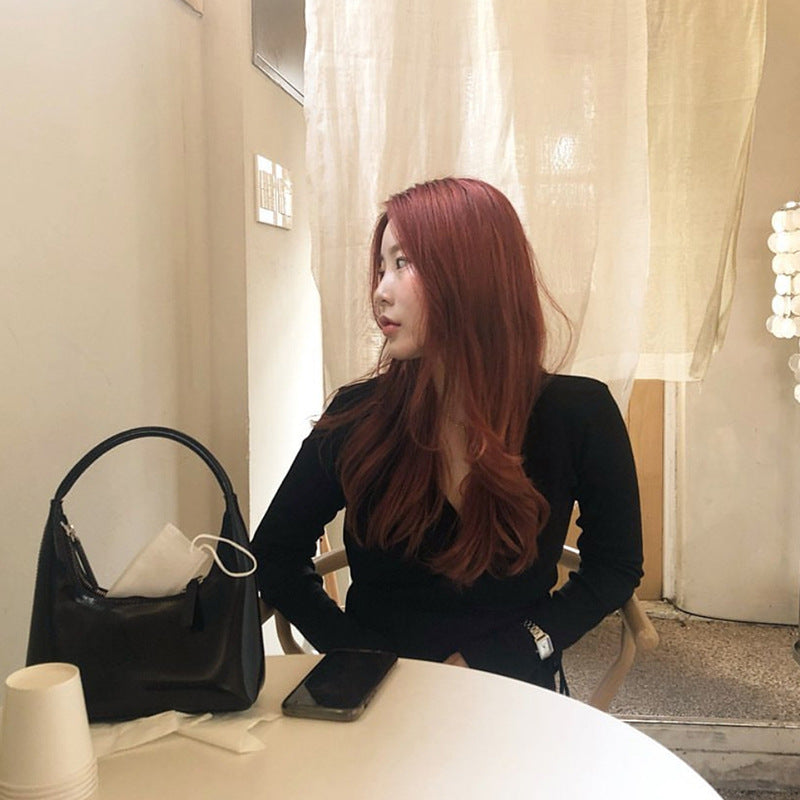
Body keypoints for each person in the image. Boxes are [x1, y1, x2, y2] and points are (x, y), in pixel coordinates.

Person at [252, 177, 643, 691]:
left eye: (403, 263)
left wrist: (518, 647)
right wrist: (356, 651)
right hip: (376, 696)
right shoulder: (358, 415)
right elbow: (274, 554)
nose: (380, 291)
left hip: (512, 689)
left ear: (474, 274)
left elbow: (615, 567)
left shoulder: (578, 413)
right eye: (381, 268)